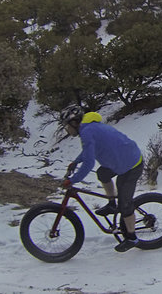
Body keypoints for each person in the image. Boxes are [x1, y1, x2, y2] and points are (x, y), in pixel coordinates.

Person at [60, 105, 144, 252]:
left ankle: (132, 238)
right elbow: (88, 152)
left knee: (125, 204)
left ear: (74, 122)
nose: (67, 130)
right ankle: (112, 204)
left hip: (131, 164)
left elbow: (89, 162)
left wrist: (72, 180)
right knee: (103, 173)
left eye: (67, 126)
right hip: (119, 161)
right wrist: (75, 162)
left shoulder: (87, 131)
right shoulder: (88, 129)